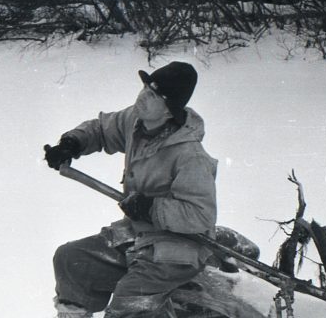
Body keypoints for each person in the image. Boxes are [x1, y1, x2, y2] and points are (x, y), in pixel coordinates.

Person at [44, 61, 218, 318]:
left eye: (154, 95)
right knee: (71, 259)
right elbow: (102, 130)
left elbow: (200, 215)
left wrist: (151, 207)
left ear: (169, 110)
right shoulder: (137, 122)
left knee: (129, 306)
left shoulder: (190, 155)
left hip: (177, 249)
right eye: (146, 88)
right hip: (137, 235)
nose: (143, 96)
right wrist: (72, 143)